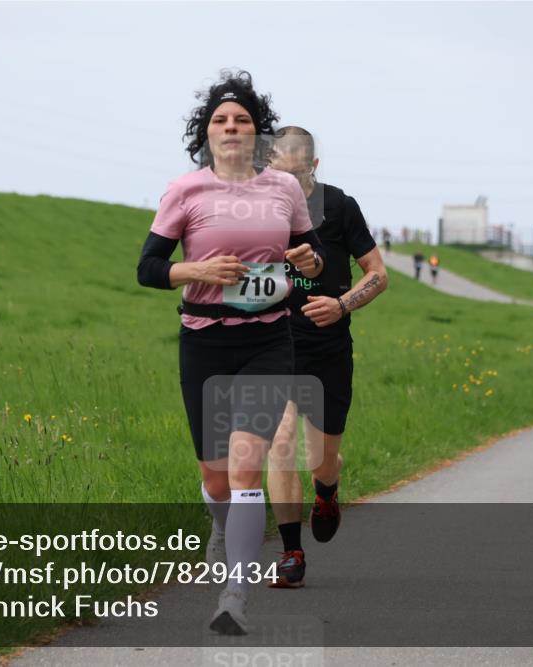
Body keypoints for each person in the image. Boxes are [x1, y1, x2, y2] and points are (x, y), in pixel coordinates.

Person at [136, 70, 324, 634]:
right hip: (204, 340)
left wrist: (310, 267)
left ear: (256, 133)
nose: (232, 127)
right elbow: (147, 269)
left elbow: (307, 262)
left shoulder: (284, 189)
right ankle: (219, 524)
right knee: (216, 478)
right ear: (208, 133)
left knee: (246, 464)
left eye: (242, 119)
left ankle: (235, 594)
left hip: (268, 338)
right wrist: (197, 269)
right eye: (221, 120)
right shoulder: (185, 191)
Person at [265, 127, 388, 588]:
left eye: (296, 173)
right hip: (275, 342)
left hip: (328, 345)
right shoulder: (258, 211)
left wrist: (341, 305)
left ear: (313, 167)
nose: (287, 183)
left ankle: (328, 489)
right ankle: (291, 553)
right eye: (277, 172)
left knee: (321, 458)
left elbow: (377, 274)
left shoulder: (339, 207)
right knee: (279, 443)